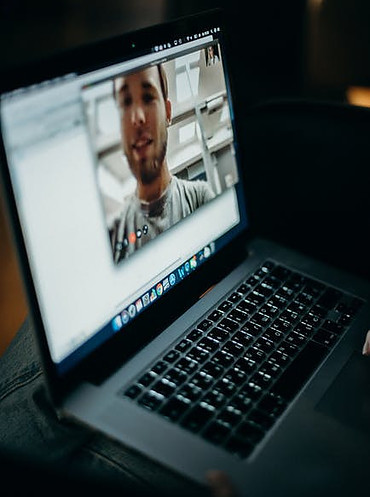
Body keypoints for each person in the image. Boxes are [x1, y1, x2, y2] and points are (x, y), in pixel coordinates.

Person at [111, 64, 215, 263]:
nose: (137, 118)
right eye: (125, 102)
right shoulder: (115, 235)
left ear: (168, 112)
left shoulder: (199, 198)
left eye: (148, 97)